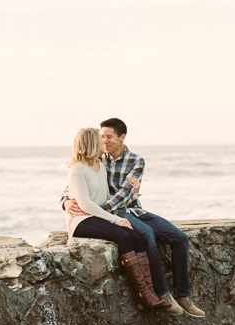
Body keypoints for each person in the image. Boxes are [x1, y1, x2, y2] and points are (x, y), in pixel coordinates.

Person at [62, 118, 205, 318]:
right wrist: (66, 202)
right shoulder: (98, 159)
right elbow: (72, 187)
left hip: (131, 209)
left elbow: (126, 193)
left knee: (180, 238)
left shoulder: (136, 161)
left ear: (122, 137)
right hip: (114, 213)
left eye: (109, 137)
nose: (104, 141)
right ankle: (163, 293)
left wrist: (98, 210)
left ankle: (184, 295)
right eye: (101, 137)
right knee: (146, 234)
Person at [66, 127, 168, 310]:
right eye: (100, 139)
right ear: (91, 143)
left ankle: (149, 294)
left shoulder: (100, 165)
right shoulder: (77, 169)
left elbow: (105, 197)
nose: (103, 142)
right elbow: (86, 205)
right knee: (124, 236)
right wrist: (115, 219)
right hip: (81, 221)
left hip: (98, 216)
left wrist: (134, 192)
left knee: (134, 236)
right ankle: (144, 295)